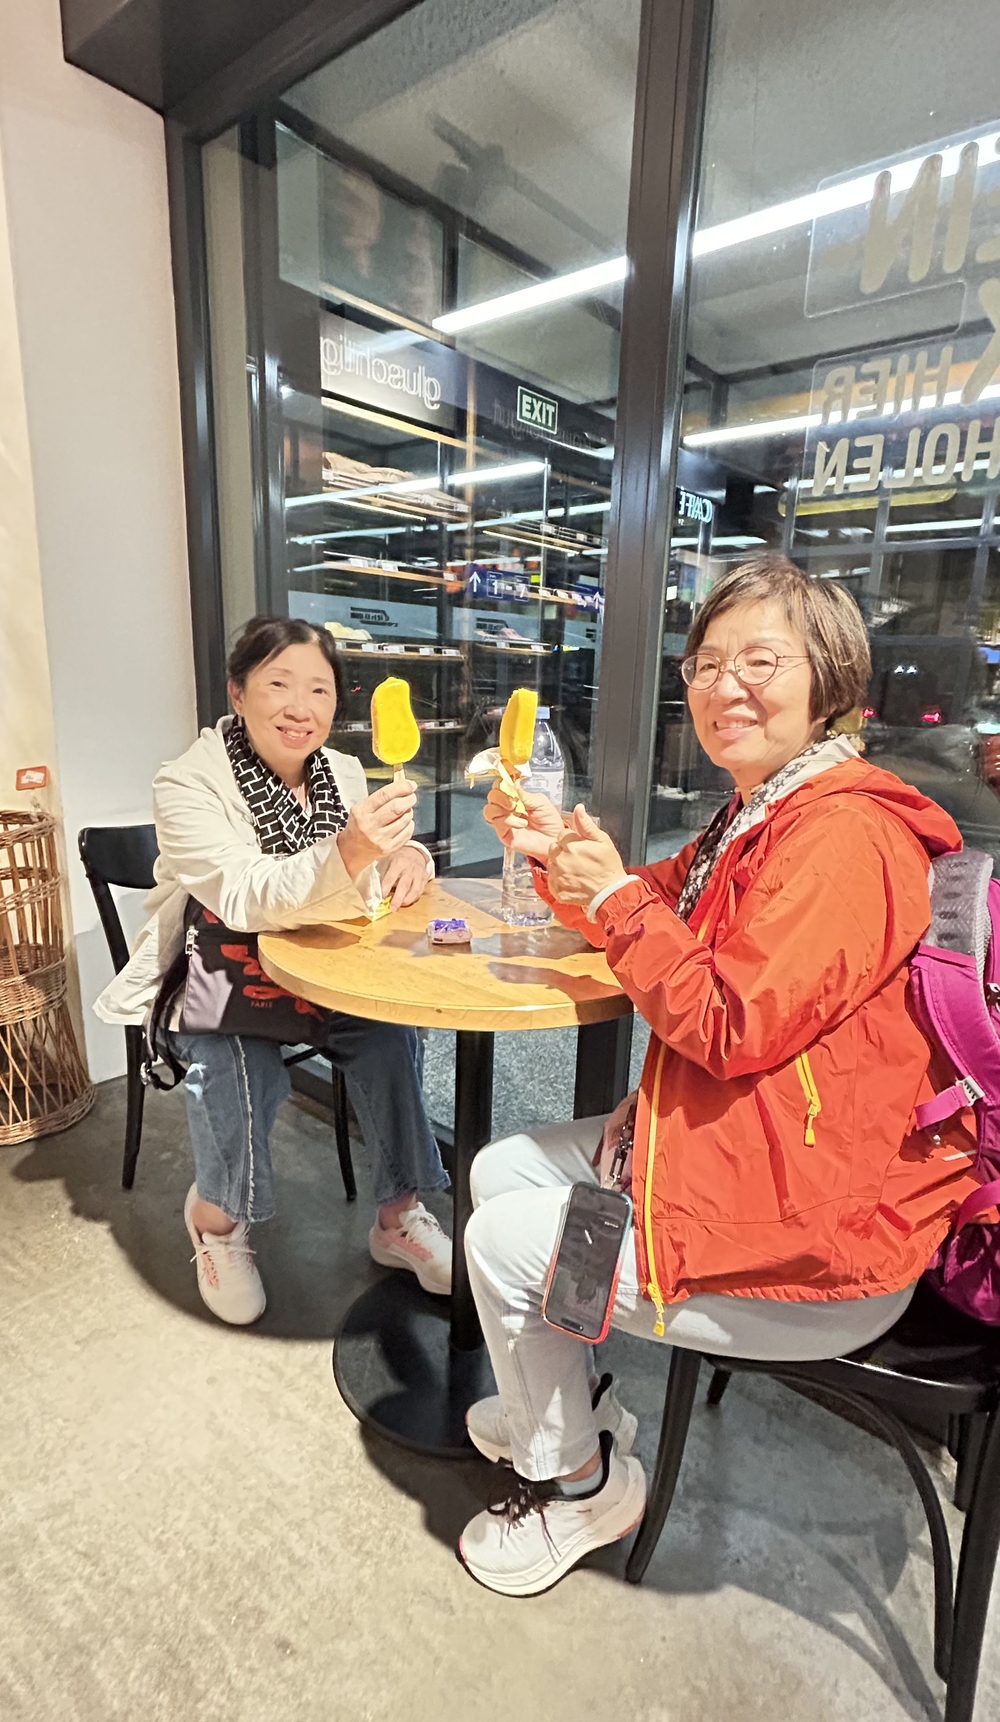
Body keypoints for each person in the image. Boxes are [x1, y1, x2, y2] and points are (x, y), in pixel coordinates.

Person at [457, 554, 977, 1597]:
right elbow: (650, 904)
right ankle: (572, 1407)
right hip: (763, 1151)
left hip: (826, 1236)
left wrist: (614, 899)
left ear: (828, 679)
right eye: (705, 663)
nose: (723, 685)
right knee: (498, 1170)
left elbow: (728, 1020)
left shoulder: (846, 834)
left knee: (501, 1243)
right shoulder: (764, 812)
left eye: (760, 661)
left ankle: (579, 1485)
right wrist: (566, 859)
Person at [97, 616, 452, 1324]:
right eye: (278, 684)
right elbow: (243, 894)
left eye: (319, 689)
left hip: (318, 970)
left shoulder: (342, 772)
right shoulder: (188, 782)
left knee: (388, 1037)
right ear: (237, 692)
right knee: (241, 1070)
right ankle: (216, 1221)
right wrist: (349, 853)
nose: (300, 707)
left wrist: (410, 856)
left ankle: (398, 1217)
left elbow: (374, 866)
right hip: (219, 977)